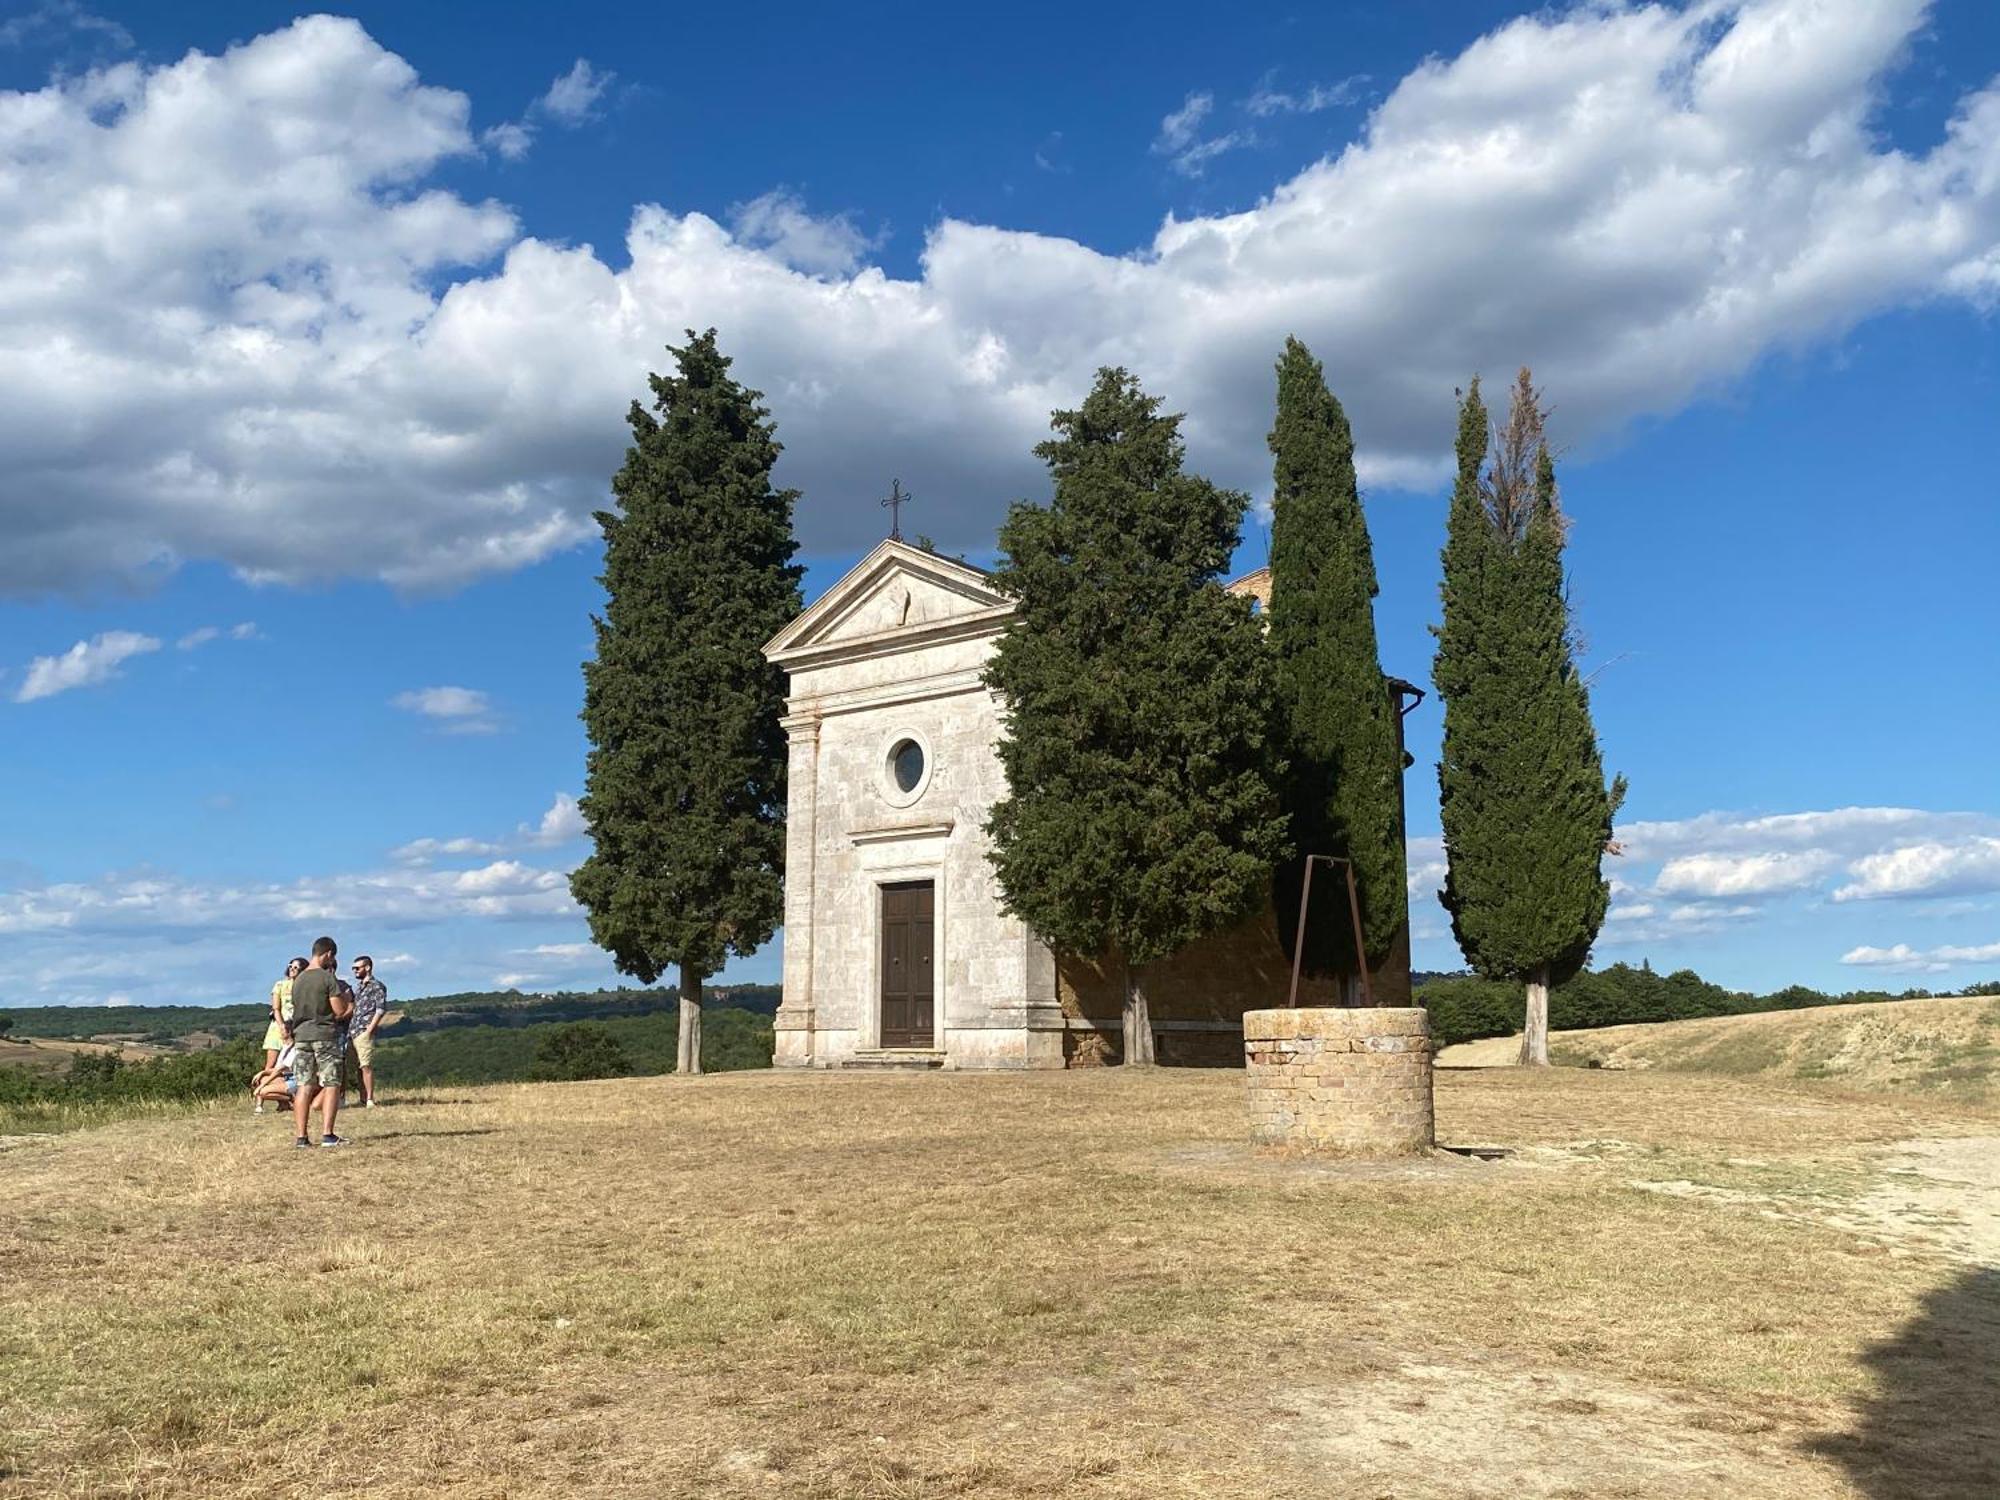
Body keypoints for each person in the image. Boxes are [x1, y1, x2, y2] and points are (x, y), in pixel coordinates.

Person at [287, 936, 354, 1148]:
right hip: (324, 1035)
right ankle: (328, 1134)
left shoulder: (297, 981)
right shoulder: (327, 979)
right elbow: (339, 1011)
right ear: (328, 954)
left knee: (303, 1086)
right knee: (332, 1083)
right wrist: (351, 1005)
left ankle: (301, 1137)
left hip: (301, 1036)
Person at [258, 957, 307, 1113]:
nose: (292, 969)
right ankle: (260, 1103)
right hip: (279, 1027)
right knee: (270, 1066)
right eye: (290, 966)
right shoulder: (279, 984)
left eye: (296, 967)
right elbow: (276, 1008)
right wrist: (281, 1026)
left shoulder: (304, 986)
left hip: (296, 1027)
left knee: (291, 1064)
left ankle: (285, 1100)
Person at [347, 955, 389, 1108]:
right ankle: (363, 1097)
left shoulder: (376, 986)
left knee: (366, 1065)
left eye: (357, 968)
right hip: (354, 1029)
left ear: (368, 967)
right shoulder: (359, 987)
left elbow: (380, 1009)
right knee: (358, 1066)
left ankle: (369, 1098)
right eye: (353, 969)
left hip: (364, 1029)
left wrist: (369, 1029)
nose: (355, 971)